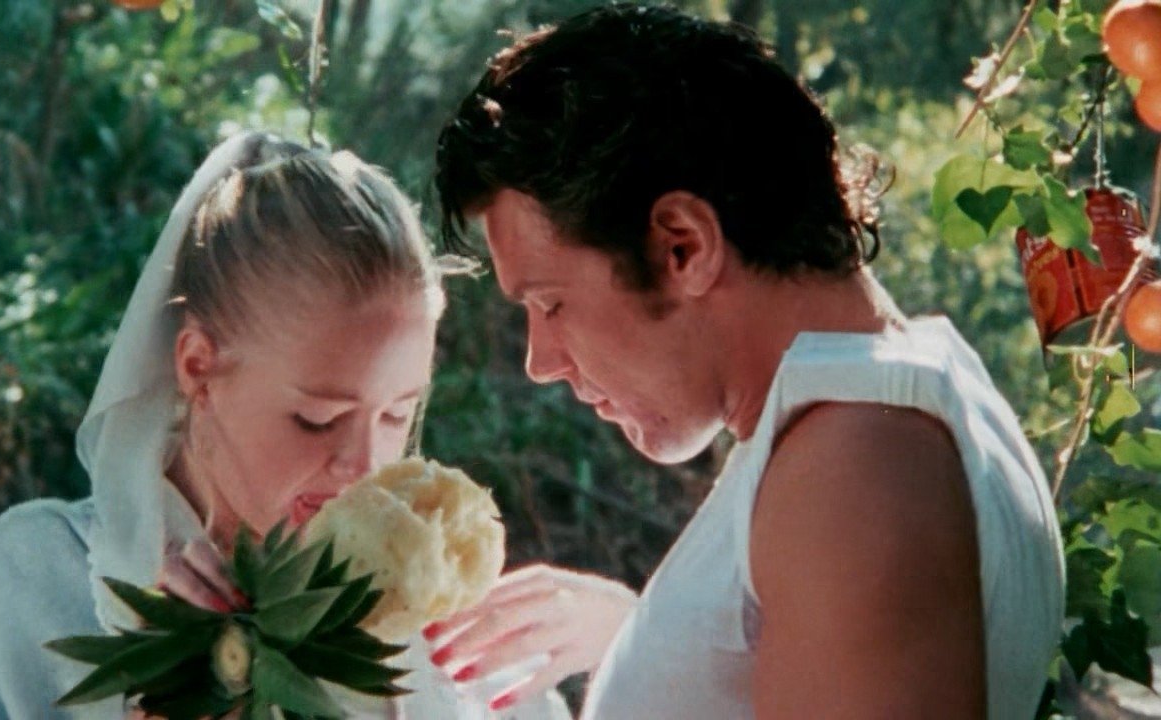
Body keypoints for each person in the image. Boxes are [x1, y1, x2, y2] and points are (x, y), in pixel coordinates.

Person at [427, 4, 1065, 719]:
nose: (541, 363)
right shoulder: (896, 402)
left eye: (549, 303)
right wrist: (643, 636)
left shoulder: (857, 463)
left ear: (684, 246)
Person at [0, 131, 571, 720]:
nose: (365, 465)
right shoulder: (27, 585)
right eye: (317, 419)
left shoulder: (449, 628)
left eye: (398, 413)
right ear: (198, 367)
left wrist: (623, 636)